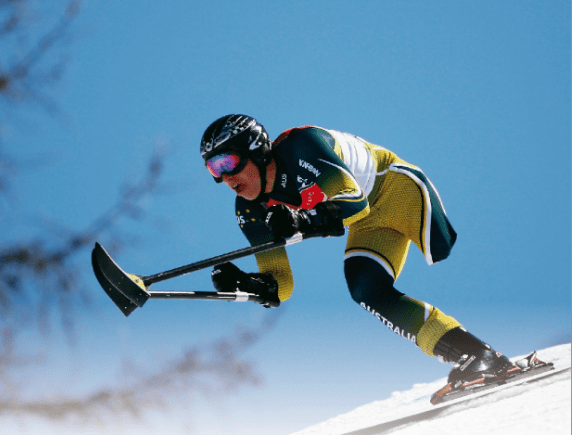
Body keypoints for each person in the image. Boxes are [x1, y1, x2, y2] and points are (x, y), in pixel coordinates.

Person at [200, 114, 517, 388]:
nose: (224, 177)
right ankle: (477, 356)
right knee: (366, 290)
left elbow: (354, 200)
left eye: (227, 161)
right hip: (368, 222)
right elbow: (282, 285)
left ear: (255, 149)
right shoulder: (249, 209)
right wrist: (251, 285)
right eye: (213, 168)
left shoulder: (300, 146)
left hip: (396, 189)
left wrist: (302, 219)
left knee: (433, 254)